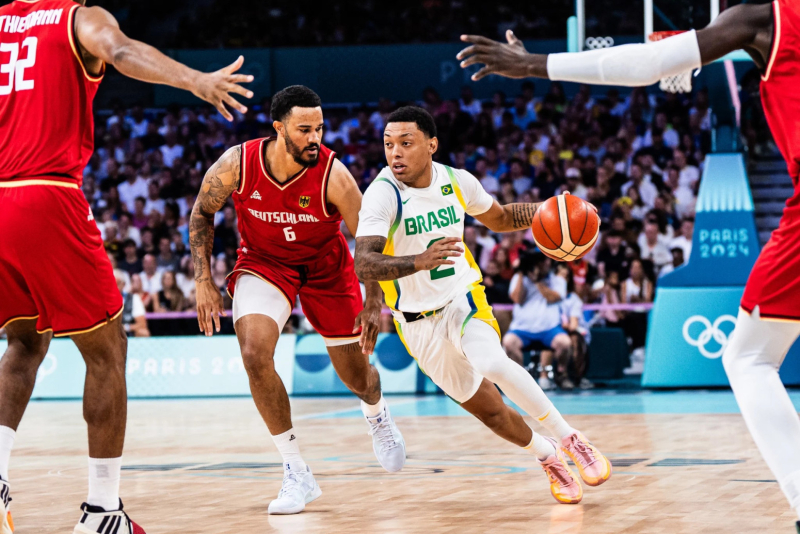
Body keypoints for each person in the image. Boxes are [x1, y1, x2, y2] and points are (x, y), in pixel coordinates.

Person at [0, 0, 254, 530]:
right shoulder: (76, 17)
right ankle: (103, 512)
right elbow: (120, 50)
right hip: (45, 193)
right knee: (107, 349)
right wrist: (195, 81)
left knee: (24, 343)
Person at [354, 106, 611, 506]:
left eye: (405, 143)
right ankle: (547, 454)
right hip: (415, 322)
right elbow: (364, 262)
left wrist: (552, 211)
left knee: (491, 362)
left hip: (462, 297)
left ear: (431, 145)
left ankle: (571, 438)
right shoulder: (383, 193)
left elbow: (501, 217)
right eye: (388, 144)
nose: (395, 153)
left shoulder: (457, 181)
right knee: (491, 412)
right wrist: (418, 261)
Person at [190, 86, 405, 515]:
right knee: (254, 354)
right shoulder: (237, 164)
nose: (315, 138)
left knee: (357, 377)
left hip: (328, 269)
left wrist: (373, 301)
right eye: (305, 129)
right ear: (278, 128)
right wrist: (203, 280)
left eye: (320, 128)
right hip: (264, 263)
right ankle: (295, 470)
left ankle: (377, 413)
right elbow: (201, 211)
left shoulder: (335, 176)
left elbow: (369, 242)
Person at [116, 274, 150, 338]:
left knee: (143, 333)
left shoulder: (134, 298)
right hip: (110, 334)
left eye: (117, 283)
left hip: (129, 331)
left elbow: (142, 324)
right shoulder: (104, 299)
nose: (114, 286)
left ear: (123, 284)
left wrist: (125, 327)